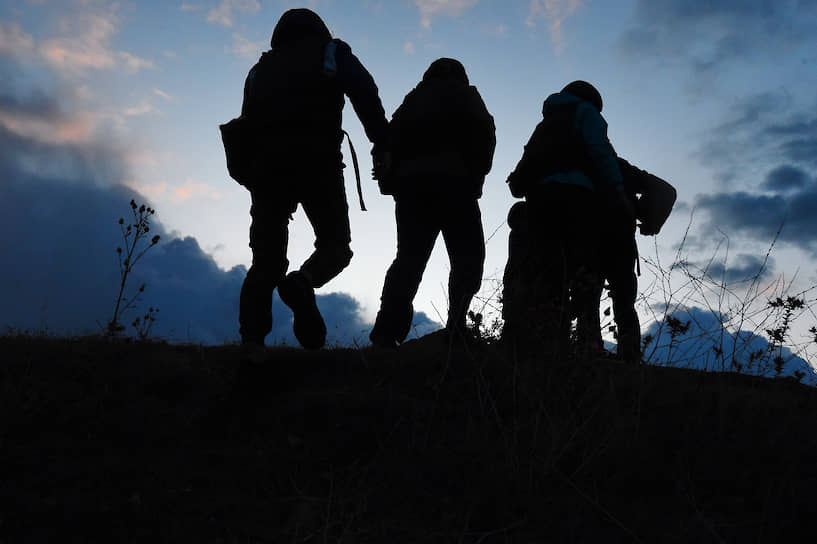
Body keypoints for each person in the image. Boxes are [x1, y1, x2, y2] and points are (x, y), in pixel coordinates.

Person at [235, 8, 390, 349]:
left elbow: (246, 122)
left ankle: (252, 344)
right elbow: (364, 92)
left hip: (267, 170)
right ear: (318, 29)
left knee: (266, 260)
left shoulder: (260, 69)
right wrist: (383, 140)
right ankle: (303, 283)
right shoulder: (332, 52)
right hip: (318, 164)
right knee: (336, 247)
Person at [369, 58, 496, 348]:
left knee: (408, 261)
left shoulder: (413, 99)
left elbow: (386, 142)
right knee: (468, 259)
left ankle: (386, 335)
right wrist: (475, 178)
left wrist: (390, 183)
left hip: (413, 190)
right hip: (457, 188)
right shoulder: (468, 95)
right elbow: (486, 137)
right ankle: (456, 327)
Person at [503, 80, 633, 360]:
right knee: (583, 272)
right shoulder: (586, 113)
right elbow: (601, 152)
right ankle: (588, 344)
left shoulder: (546, 122)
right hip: (577, 201)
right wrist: (618, 192)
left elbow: (523, 169)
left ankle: (551, 343)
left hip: (540, 202)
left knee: (549, 273)